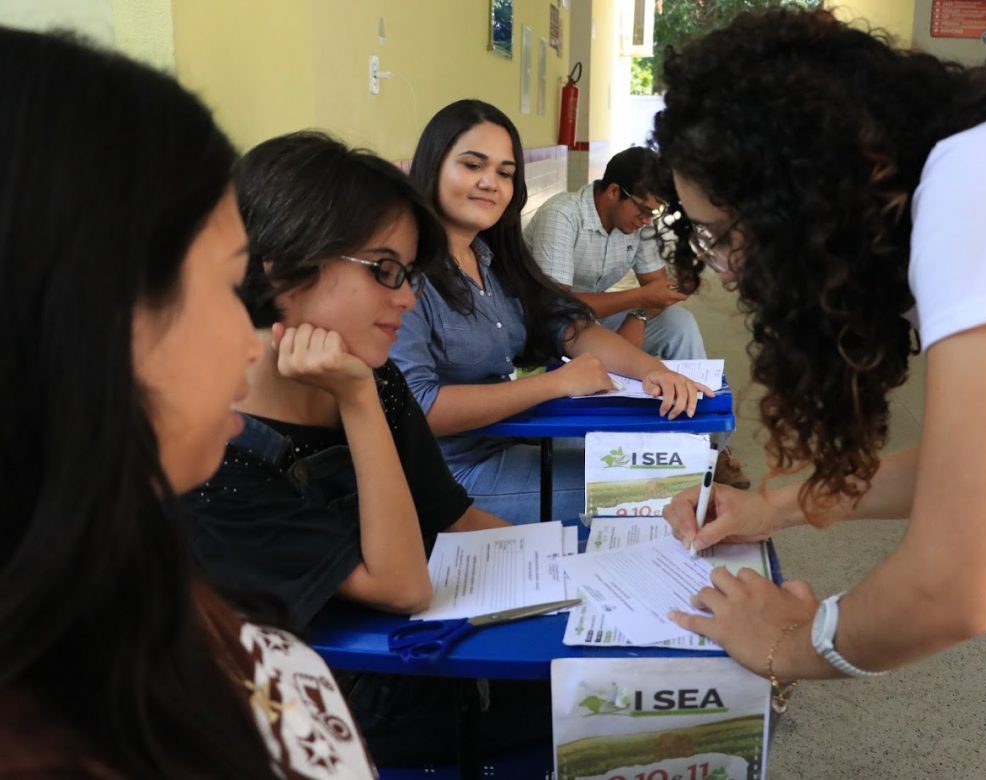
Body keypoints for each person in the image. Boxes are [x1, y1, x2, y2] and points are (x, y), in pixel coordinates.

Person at [654, 8, 986, 778]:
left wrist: (784, 643)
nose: (726, 269)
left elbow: (953, 587)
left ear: (800, 194)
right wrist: (774, 504)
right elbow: (985, 466)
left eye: (726, 233)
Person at [0, 28, 374, 778]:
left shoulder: (148, 594)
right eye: (233, 283)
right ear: (93, 315)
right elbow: (402, 583)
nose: (251, 336)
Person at [181, 131, 544, 768]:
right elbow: (402, 587)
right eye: (384, 270)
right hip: (356, 728)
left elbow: (455, 518)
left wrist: (574, 578)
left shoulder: (374, 375)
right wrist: (356, 401)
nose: (406, 296)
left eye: (407, 274)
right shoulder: (217, 457)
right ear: (283, 266)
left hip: (443, 678)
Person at [391, 99, 709, 524]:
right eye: (472, 165)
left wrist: (653, 370)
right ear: (433, 166)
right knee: (672, 494)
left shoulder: (491, 255)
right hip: (451, 476)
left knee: (670, 464)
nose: (491, 183)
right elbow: (419, 409)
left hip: (513, 439)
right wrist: (554, 385)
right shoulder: (405, 275)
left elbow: (567, 325)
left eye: (505, 173)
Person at [524, 146, 706, 360]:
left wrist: (639, 315)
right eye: (644, 209)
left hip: (590, 316)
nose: (647, 220)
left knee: (680, 324)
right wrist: (639, 298)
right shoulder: (562, 215)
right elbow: (557, 306)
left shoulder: (640, 223)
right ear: (614, 191)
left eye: (655, 212)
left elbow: (657, 290)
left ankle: (697, 391)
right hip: (541, 321)